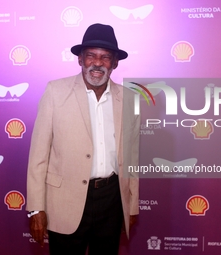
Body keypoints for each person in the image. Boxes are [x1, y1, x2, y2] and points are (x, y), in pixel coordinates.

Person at [26, 23, 140, 255]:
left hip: (112, 200)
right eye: (91, 56)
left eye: (105, 57)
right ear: (80, 59)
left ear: (115, 63)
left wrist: (132, 203)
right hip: (64, 201)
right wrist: (36, 208)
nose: (97, 63)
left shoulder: (129, 99)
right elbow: (38, 156)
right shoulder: (55, 92)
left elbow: (132, 158)